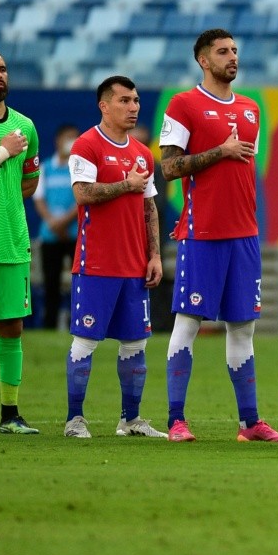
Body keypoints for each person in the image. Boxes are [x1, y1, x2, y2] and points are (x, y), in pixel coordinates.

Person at [158, 28, 278, 443]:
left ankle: (249, 424)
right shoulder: (183, 105)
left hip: (245, 235)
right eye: (222, 51)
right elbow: (169, 168)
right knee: (188, 322)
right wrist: (220, 151)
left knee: (243, 327)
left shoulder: (252, 108)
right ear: (203, 60)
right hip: (203, 233)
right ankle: (175, 421)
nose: (232, 57)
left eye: (235, 50)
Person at [63, 76, 167, 439]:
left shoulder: (141, 153)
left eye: (136, 100)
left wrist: (154, 255)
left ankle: (131, 420)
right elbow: (82, 194)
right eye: (124, 100)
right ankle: (74, 420)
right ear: (104, 106)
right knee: (86, 341)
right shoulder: (86, 146)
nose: (133, 106)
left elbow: (148, 206)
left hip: (134, 266)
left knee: (136, 343)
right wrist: (126, 184)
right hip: (97, 264)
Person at [0, 47, 41, 434]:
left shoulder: (26, 127)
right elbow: (7, 158)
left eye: (3, 69)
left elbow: (29, 182)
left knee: (11, 328)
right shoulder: (9, 139)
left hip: (10, 243)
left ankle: (10, 414)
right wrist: (1, 151)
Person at [32, 124, 80, 329]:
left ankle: (80, 324)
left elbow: (82, 199)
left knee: (80, 285)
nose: (71, 142)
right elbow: (39, 198)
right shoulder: (45, 168)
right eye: (68, 138)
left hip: (76, 234)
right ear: (58, 141)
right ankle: (49, 326)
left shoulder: (80, 168)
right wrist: (53, 222)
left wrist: (64, 222)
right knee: (51, 283)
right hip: (50, 235)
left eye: (75, 138)